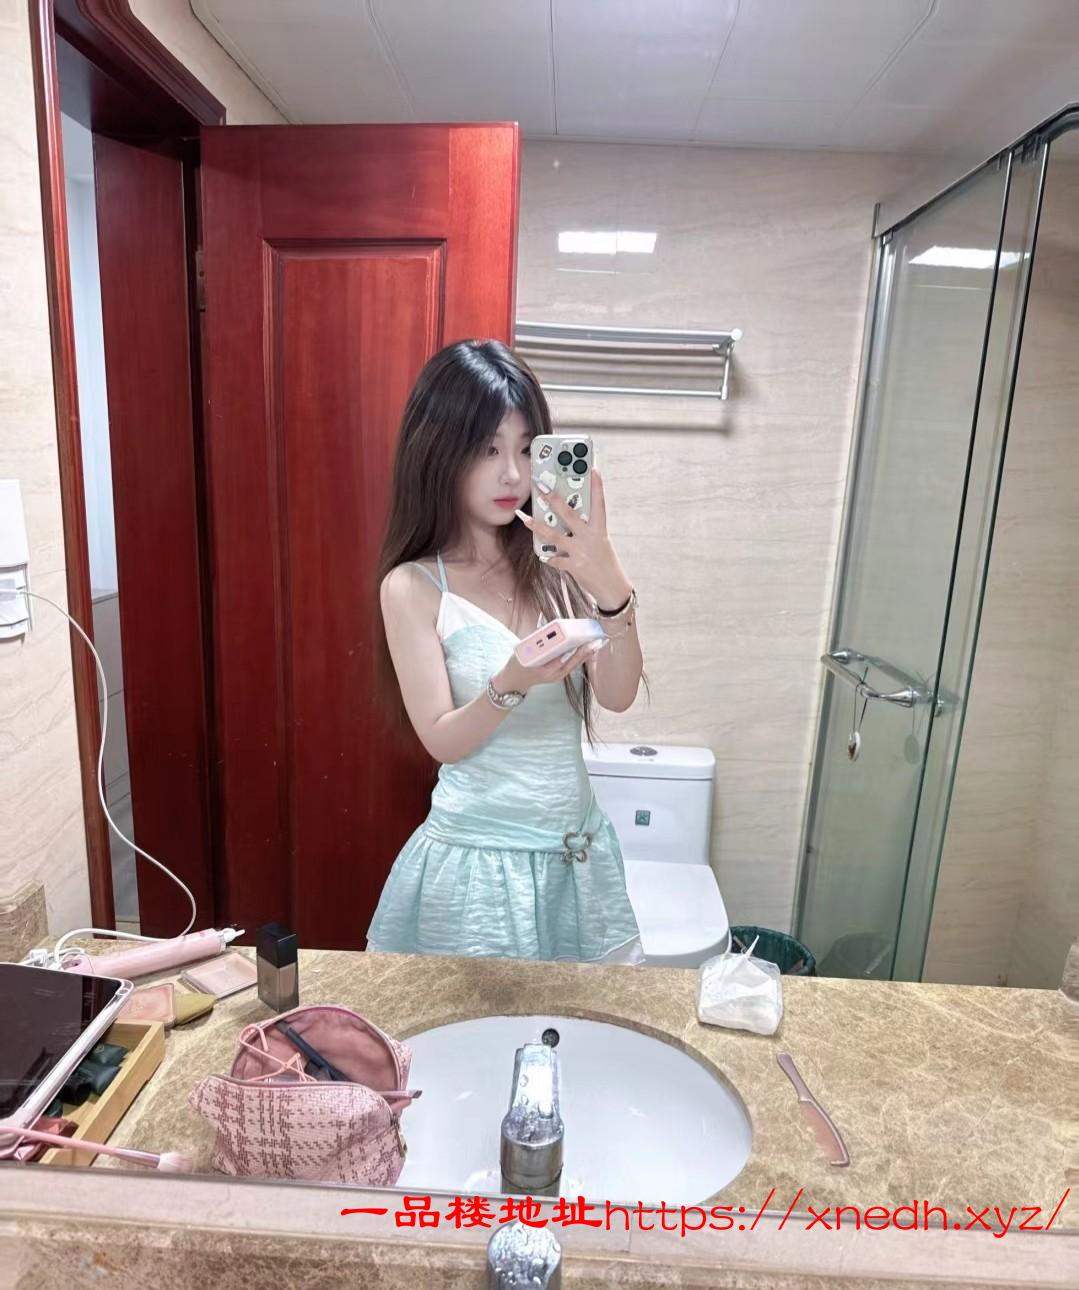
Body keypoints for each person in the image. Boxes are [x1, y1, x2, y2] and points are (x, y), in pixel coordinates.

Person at [367, 339, 645, 962]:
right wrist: (513, 680)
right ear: (439, 450)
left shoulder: (559, 568)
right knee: (479, 1023)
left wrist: (611, 586)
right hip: (477, 868)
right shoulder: (413, 585)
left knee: (579, 1020)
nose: (514, 475)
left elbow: (619, 694)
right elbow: (441, 740)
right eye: (488, 449)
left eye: (525, 448)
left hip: (576, 860)